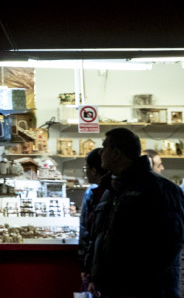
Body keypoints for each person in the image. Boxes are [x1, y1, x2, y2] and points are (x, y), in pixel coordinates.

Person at [91, 127, 184, 298]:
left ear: (117, 153)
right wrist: (96, 277)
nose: (100, 153)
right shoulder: (111, 190)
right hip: (114, 289)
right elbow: (101, 236)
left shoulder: (160, 189)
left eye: (104, 148)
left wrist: (134, 283)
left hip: (148, 291)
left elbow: (169, 244)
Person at [77, 148, 109, 293]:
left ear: (94, 170)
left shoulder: (92, 192)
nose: (86, 172)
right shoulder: (118, 188)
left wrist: (85, 265)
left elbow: (86, 229)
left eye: (87, 168)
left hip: (99, 261)